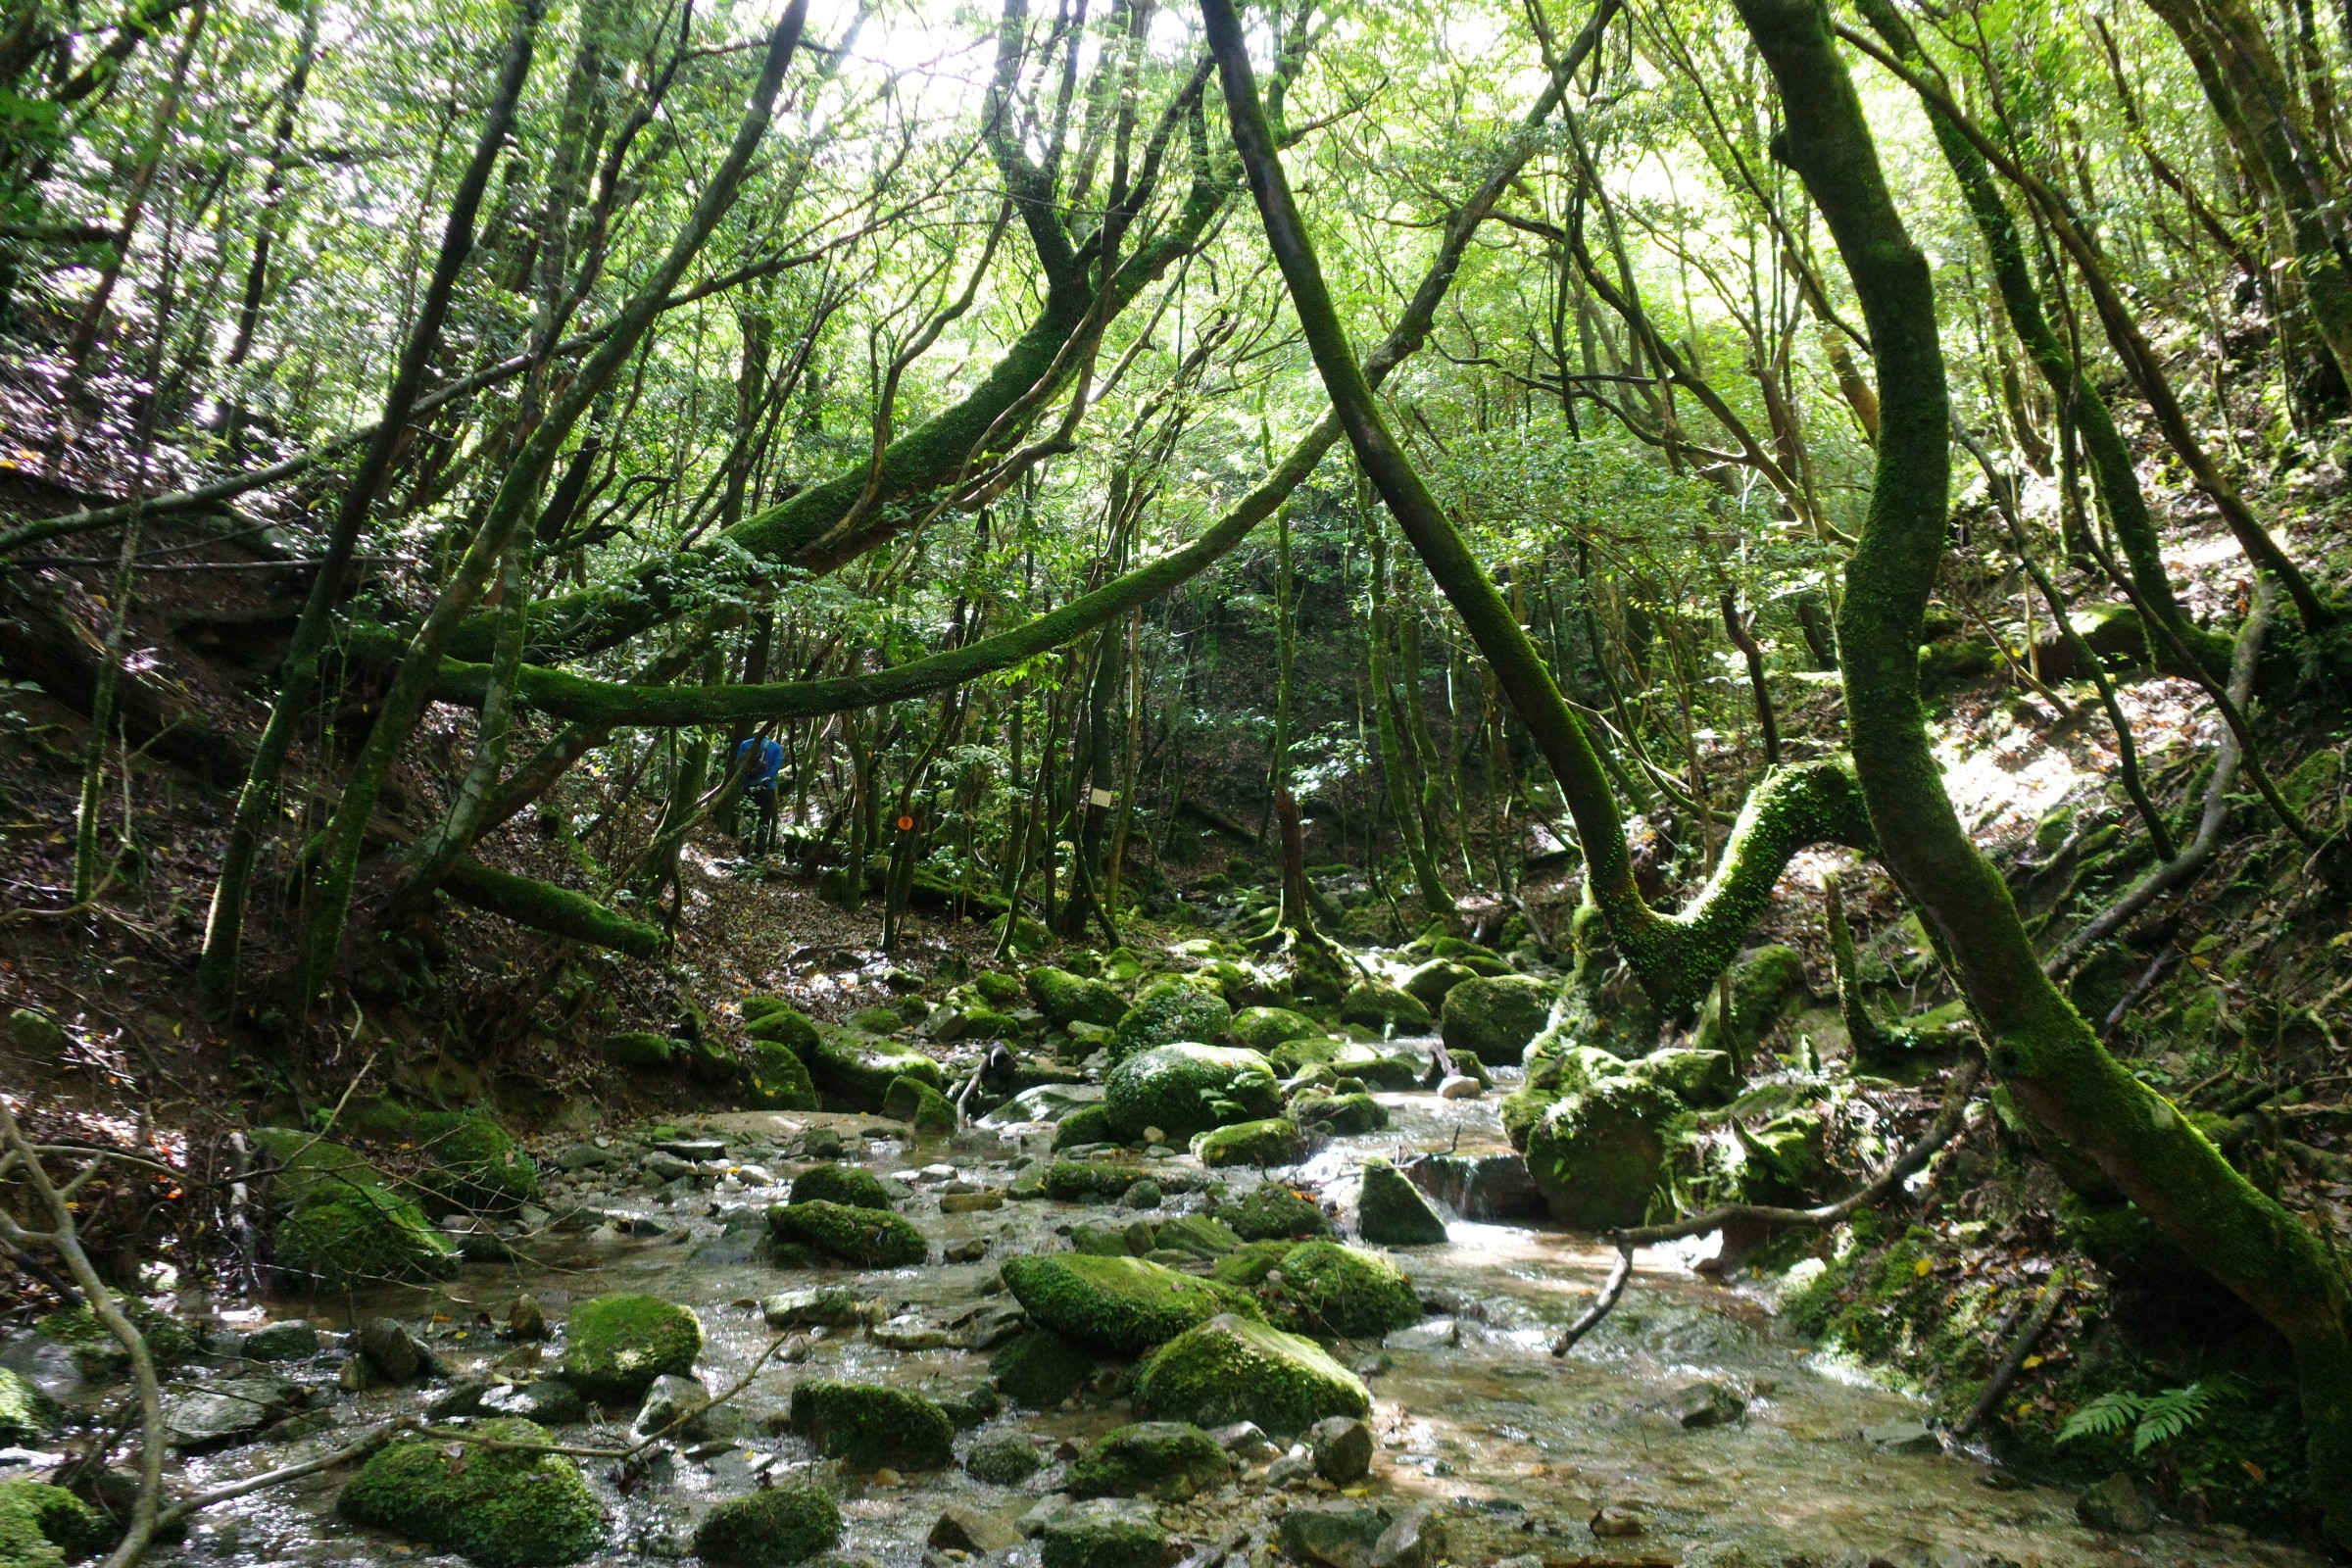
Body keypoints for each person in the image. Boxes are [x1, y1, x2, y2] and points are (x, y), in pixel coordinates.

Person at [734, 733, 784, 855]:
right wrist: (765, 780)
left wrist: (747, 782)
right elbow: (776, 768)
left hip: (749, 787)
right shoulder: (776, 748)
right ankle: (759, 853)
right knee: (764, 819)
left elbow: (739, 766)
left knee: (748, 817)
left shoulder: (745, 744)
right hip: (768, 789)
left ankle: (744, 850)